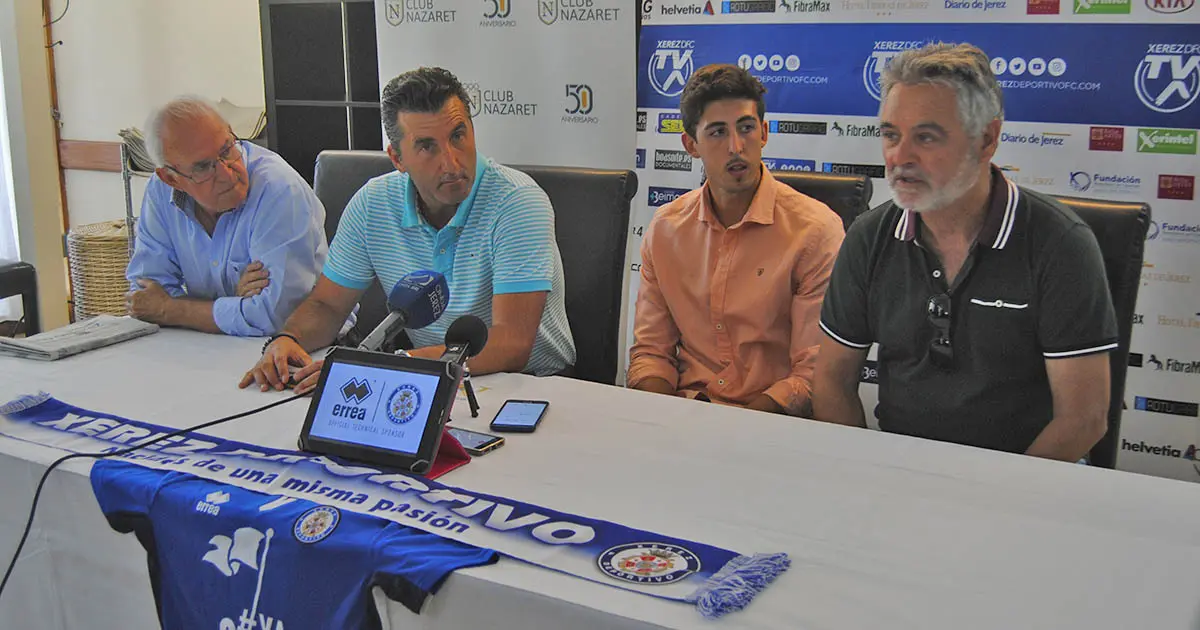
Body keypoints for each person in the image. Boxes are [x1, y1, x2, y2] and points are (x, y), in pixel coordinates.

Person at [812, 43, 1117, 461]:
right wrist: (868, 478)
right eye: (890, 135)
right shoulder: (869, 236)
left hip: (1022, 483)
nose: (900, 157)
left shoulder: (1060, 243)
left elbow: (1083, 418)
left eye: (926, 137)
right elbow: (831, 382)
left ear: (987, 139)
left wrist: (989, 507)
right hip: (899, 473)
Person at [240, 67, 575, 394]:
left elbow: (511, 344)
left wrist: (388, 367)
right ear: (397, 158)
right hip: (429, 378)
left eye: (458, 136)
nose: (452, 162)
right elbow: (328, 306)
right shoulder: (373, 203)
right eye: (427, 146)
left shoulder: (517, 201)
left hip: (532, 385)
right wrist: (288, 340)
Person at [627, 64, 844, 415]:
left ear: (764, 133)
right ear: (690, 144)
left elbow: (812, 372)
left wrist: (733, 431)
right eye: (717, 132)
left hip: (774, 423)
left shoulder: (815, 231)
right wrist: (661, 424)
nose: (735, 147)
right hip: (686, 414)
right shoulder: (666, 230)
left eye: (746, 128)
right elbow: (652, 354)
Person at [125, 97, 330, 337]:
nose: (226, 173)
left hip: (301, 347)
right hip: (207, 345)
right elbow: (146, 294)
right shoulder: (160, 192)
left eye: (227, 150)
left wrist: (172, 310)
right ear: (172, 178)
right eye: (203, 167)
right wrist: (233, 302)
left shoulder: (278, 188)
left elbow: (275, 316)